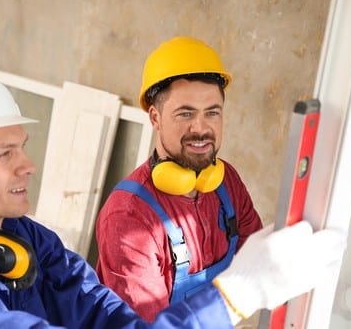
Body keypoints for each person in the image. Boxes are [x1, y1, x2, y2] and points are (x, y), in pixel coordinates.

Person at [0, 60, 345, 328]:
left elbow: (115, 323)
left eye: (23, 147)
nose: (27, 164)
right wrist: (240, 293)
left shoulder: (25, 241)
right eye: (4, 153)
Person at [96, 36, 263, 321]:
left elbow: (256, 261)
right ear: (155, 117)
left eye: (212, 113)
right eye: (185, 113)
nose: (201, 128)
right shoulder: (129, 216)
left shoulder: (226, 183)